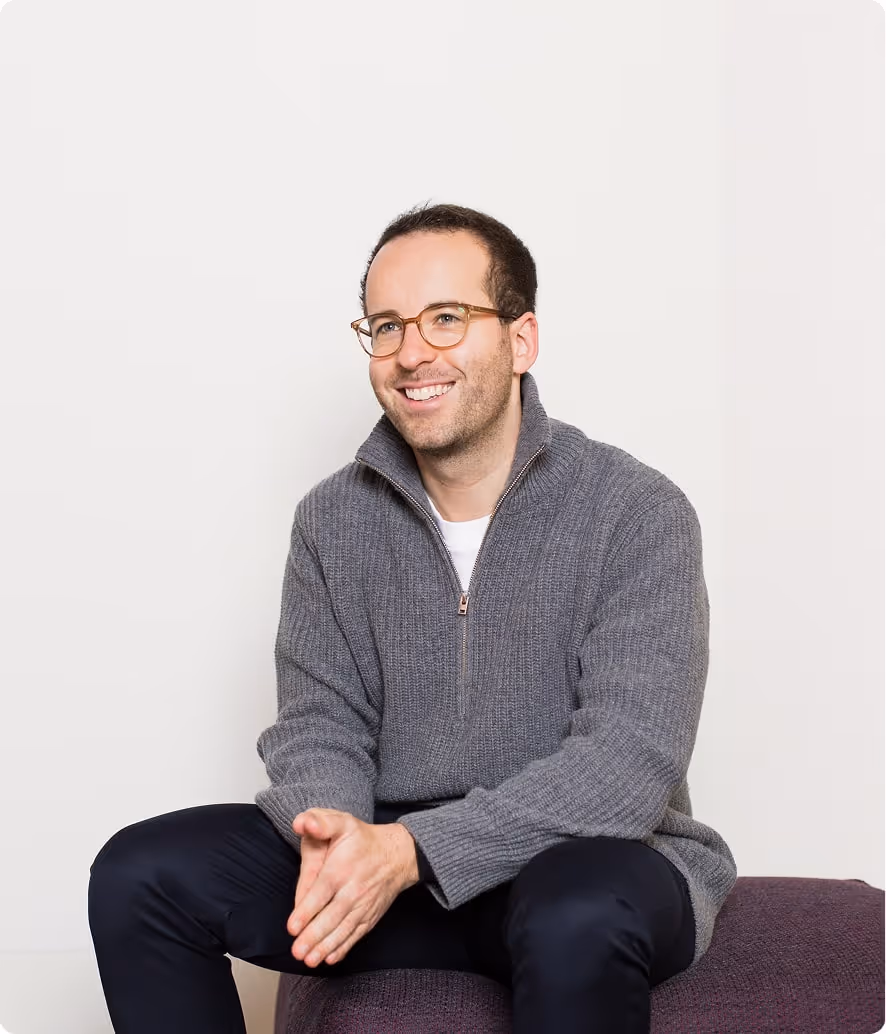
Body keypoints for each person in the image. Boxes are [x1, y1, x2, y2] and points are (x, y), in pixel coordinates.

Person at [88, 203, 738, 1034]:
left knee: (573, 909)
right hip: (396, 873)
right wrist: (339, 841)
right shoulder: (332, 520)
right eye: (386, 326)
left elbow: (626, 765)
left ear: (521, 339)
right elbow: (320, 723)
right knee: (140, 872)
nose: (411, 353)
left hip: (589, 865)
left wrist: (416, 850)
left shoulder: (636, 511)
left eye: (445, 318)